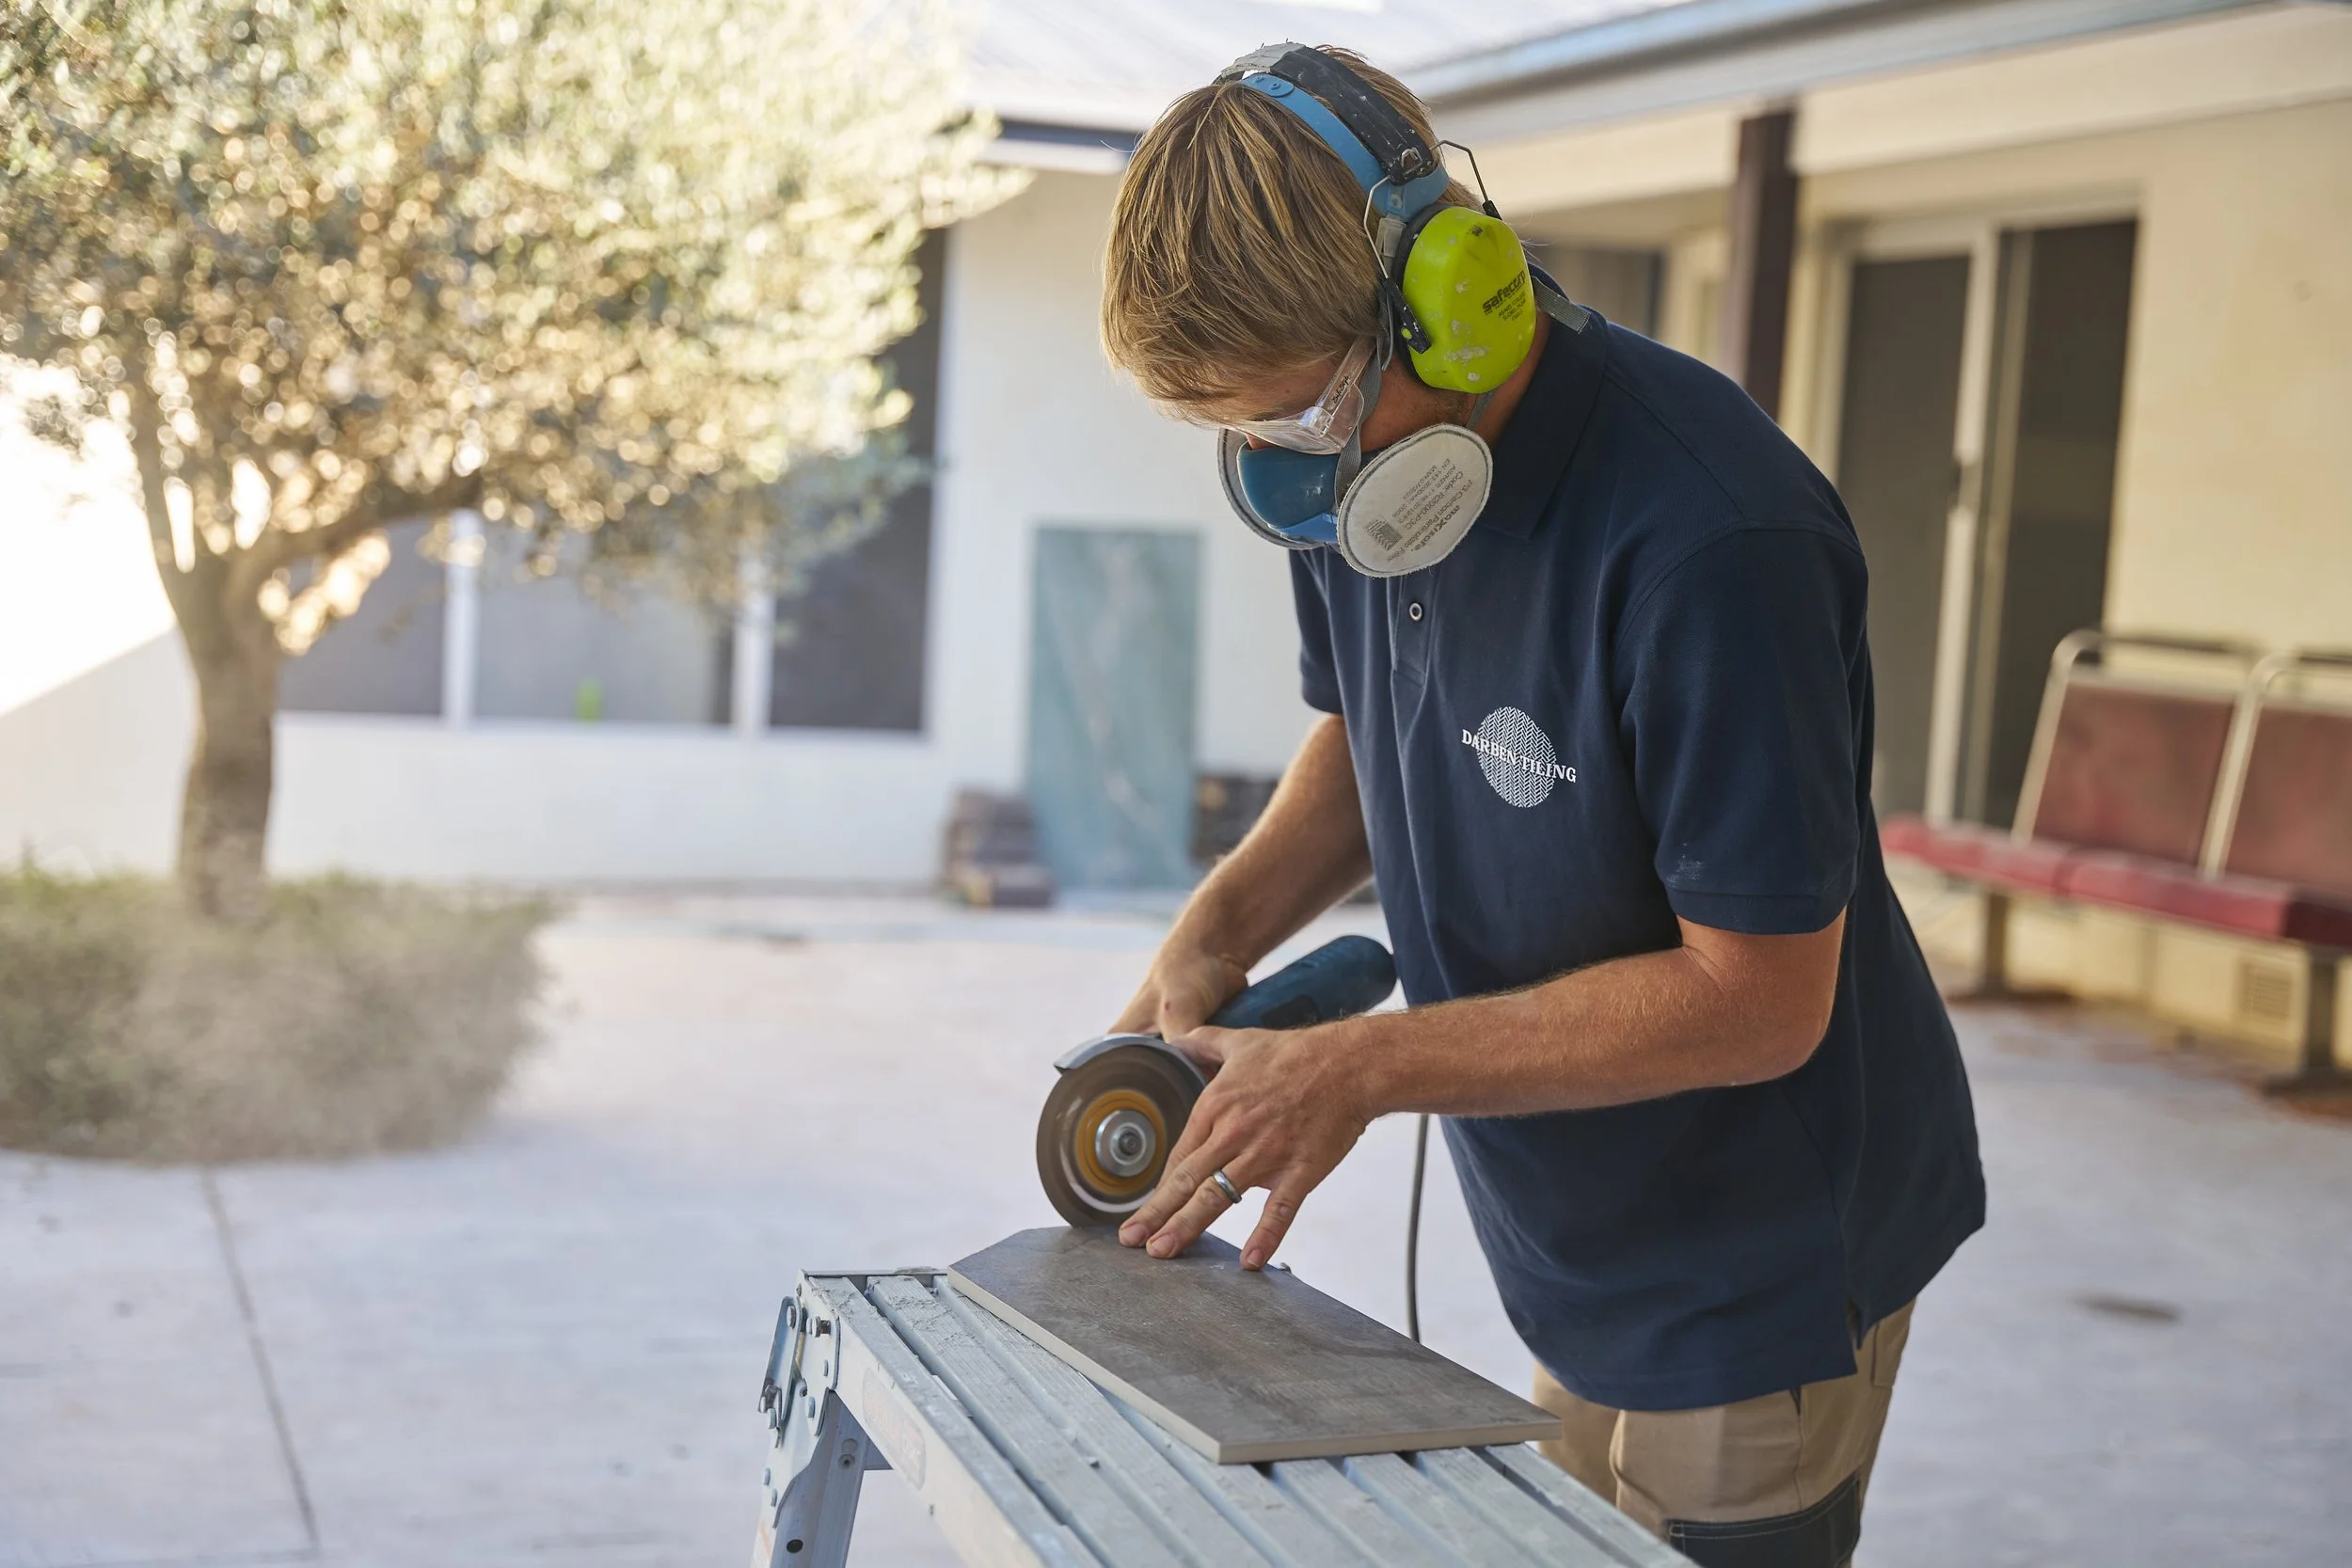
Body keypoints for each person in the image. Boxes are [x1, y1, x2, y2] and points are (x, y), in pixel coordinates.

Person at [1093, 43, 1986, 1568]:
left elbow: (1760, 999)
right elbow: (1376, 740)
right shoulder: (1372, 476)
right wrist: (1217, 926)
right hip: (1572, 1208)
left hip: (1749, 1249)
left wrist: (1359, 1066)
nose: (1287, 482)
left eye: (1300, 421)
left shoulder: (1714, 540)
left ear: (1456, 297)